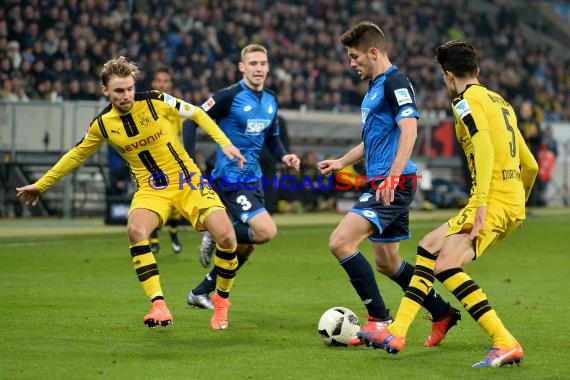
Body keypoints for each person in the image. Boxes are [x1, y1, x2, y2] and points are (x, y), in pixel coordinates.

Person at [16, 56, 246, 330]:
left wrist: (225, 144)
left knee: (227, 237)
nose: (126, 96)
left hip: (188, 182)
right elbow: (76, 155)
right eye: (118, 91)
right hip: (151, 190)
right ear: (105, 91)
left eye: (129, 89)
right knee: (136, 230)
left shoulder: (157, 100)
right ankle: (158, 305)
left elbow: (196, 113)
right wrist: (41, 184)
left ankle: (221, 300)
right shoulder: (102, 124)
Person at [358, 40, 538, 368]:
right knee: (429, 248)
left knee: (447, 265)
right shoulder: (502, 103)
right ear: (478, 71)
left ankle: (505, 341)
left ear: (448, 75)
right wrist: (519, 204)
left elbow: (482, 144)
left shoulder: (465, 102)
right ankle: (398, 330)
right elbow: (532, 165)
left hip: (491, 200)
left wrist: (483, 203)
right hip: (509, 200)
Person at [317, 21, 460, 347]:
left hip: (392, 182)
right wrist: (342, 161)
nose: (351, 63)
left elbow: (409, 129)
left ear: (373, 52)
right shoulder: (374, 86)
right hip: (384, 180)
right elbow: (374, 139)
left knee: (340, 242)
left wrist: (393, 176)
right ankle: (442, 312)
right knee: (388, 262)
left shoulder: (395, 82)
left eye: (354, 57)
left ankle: (379, 319)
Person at [187, 44, 300, 309]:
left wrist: (284, 156)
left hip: (254, 179)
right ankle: (216, 231)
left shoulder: (271, 99)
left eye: (262, 63)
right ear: (242, 67)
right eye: (253, 64)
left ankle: (200, 291)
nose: (258, 68)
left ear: (268, 67)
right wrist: (191, 162)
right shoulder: (228, 96)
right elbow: (192, 120)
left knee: (246, 247)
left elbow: (271, 138)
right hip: (231, 179)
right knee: (266, 231)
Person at [147, 66, 198, 254]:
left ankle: (174, 232)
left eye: (165, 81)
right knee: (151, 201)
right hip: (148, 163)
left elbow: (184, 134)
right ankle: (152, 237)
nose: (161, 84)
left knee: (175, 204)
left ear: (170, 85)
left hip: (171, 161)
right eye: (158, 81)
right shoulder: (142, 105)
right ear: (153, 83)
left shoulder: (176, 108)